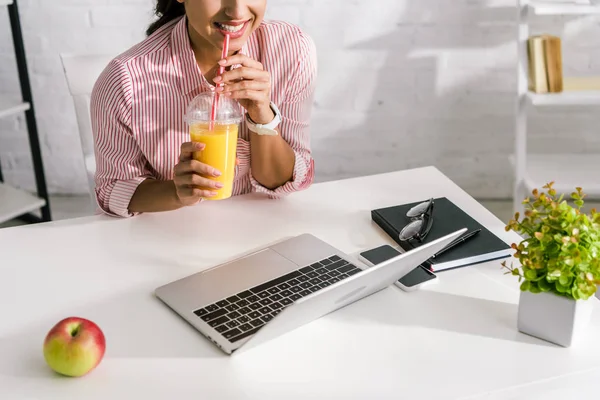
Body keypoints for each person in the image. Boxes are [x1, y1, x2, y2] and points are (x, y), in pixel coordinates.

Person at [90, 0, 317, 218]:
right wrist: (175, 193)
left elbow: (284, 181)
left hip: (265, 232)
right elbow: (112, 190)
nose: (237, 10)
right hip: (171, 238)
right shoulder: (124, 80)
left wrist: (262, 114)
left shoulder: (291, 50)